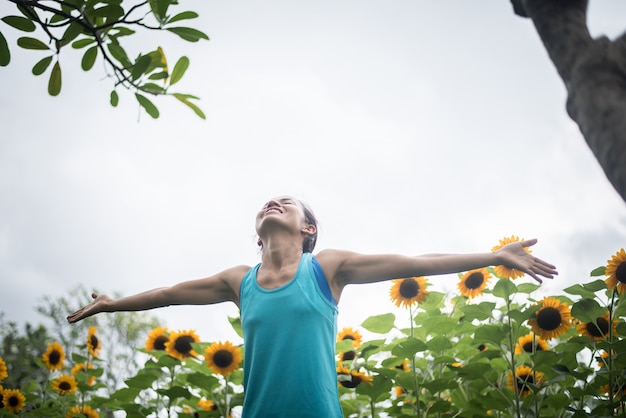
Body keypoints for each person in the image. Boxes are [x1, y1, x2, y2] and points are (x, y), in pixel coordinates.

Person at [67, 196, 557, 417]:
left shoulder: (326, 268)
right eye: (265, 204)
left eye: (285, 202)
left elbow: (415, 261)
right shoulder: (240, 281)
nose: (271, 205)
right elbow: (169, 293)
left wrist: (495, 255)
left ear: (308, 229)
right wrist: (111, 306)